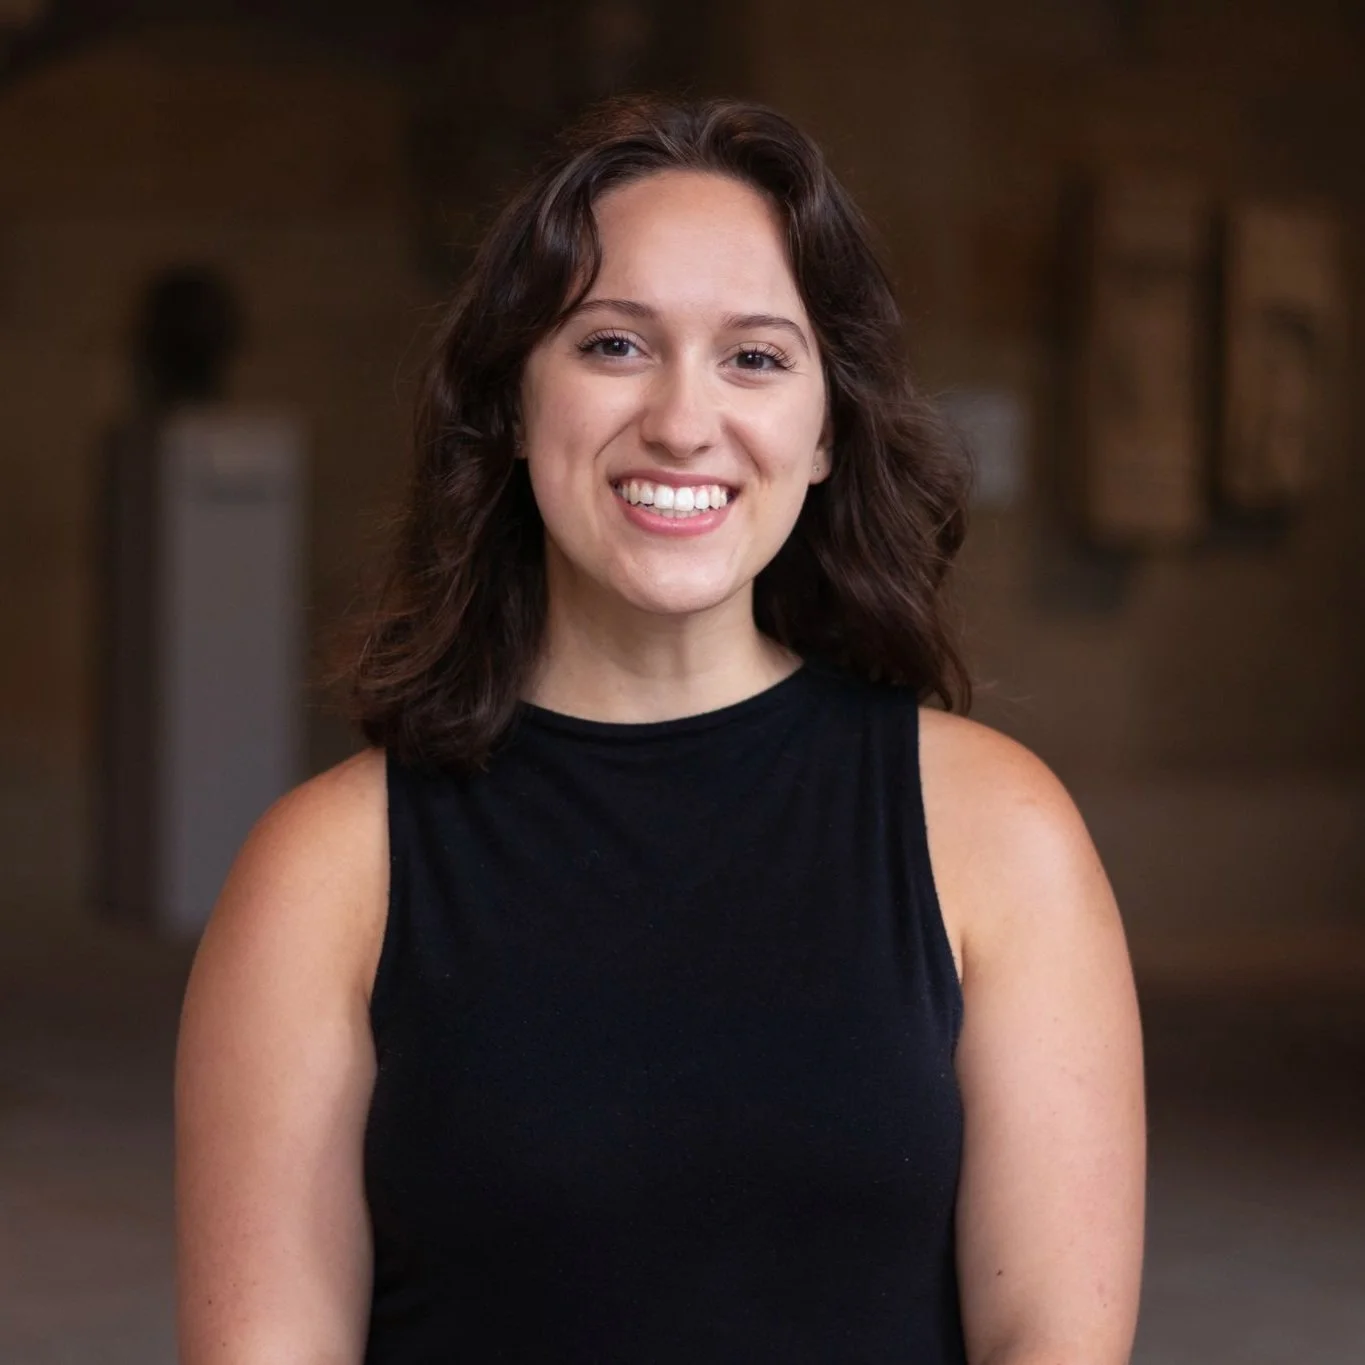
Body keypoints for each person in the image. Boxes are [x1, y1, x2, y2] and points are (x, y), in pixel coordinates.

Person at [175, 96, 1145, 1364]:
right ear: (512, 405)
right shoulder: (326, 869)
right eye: (615, 344)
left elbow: (1051, 1340)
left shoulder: (998, 835)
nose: (684, 421)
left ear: (825, 431)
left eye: (756, 358)